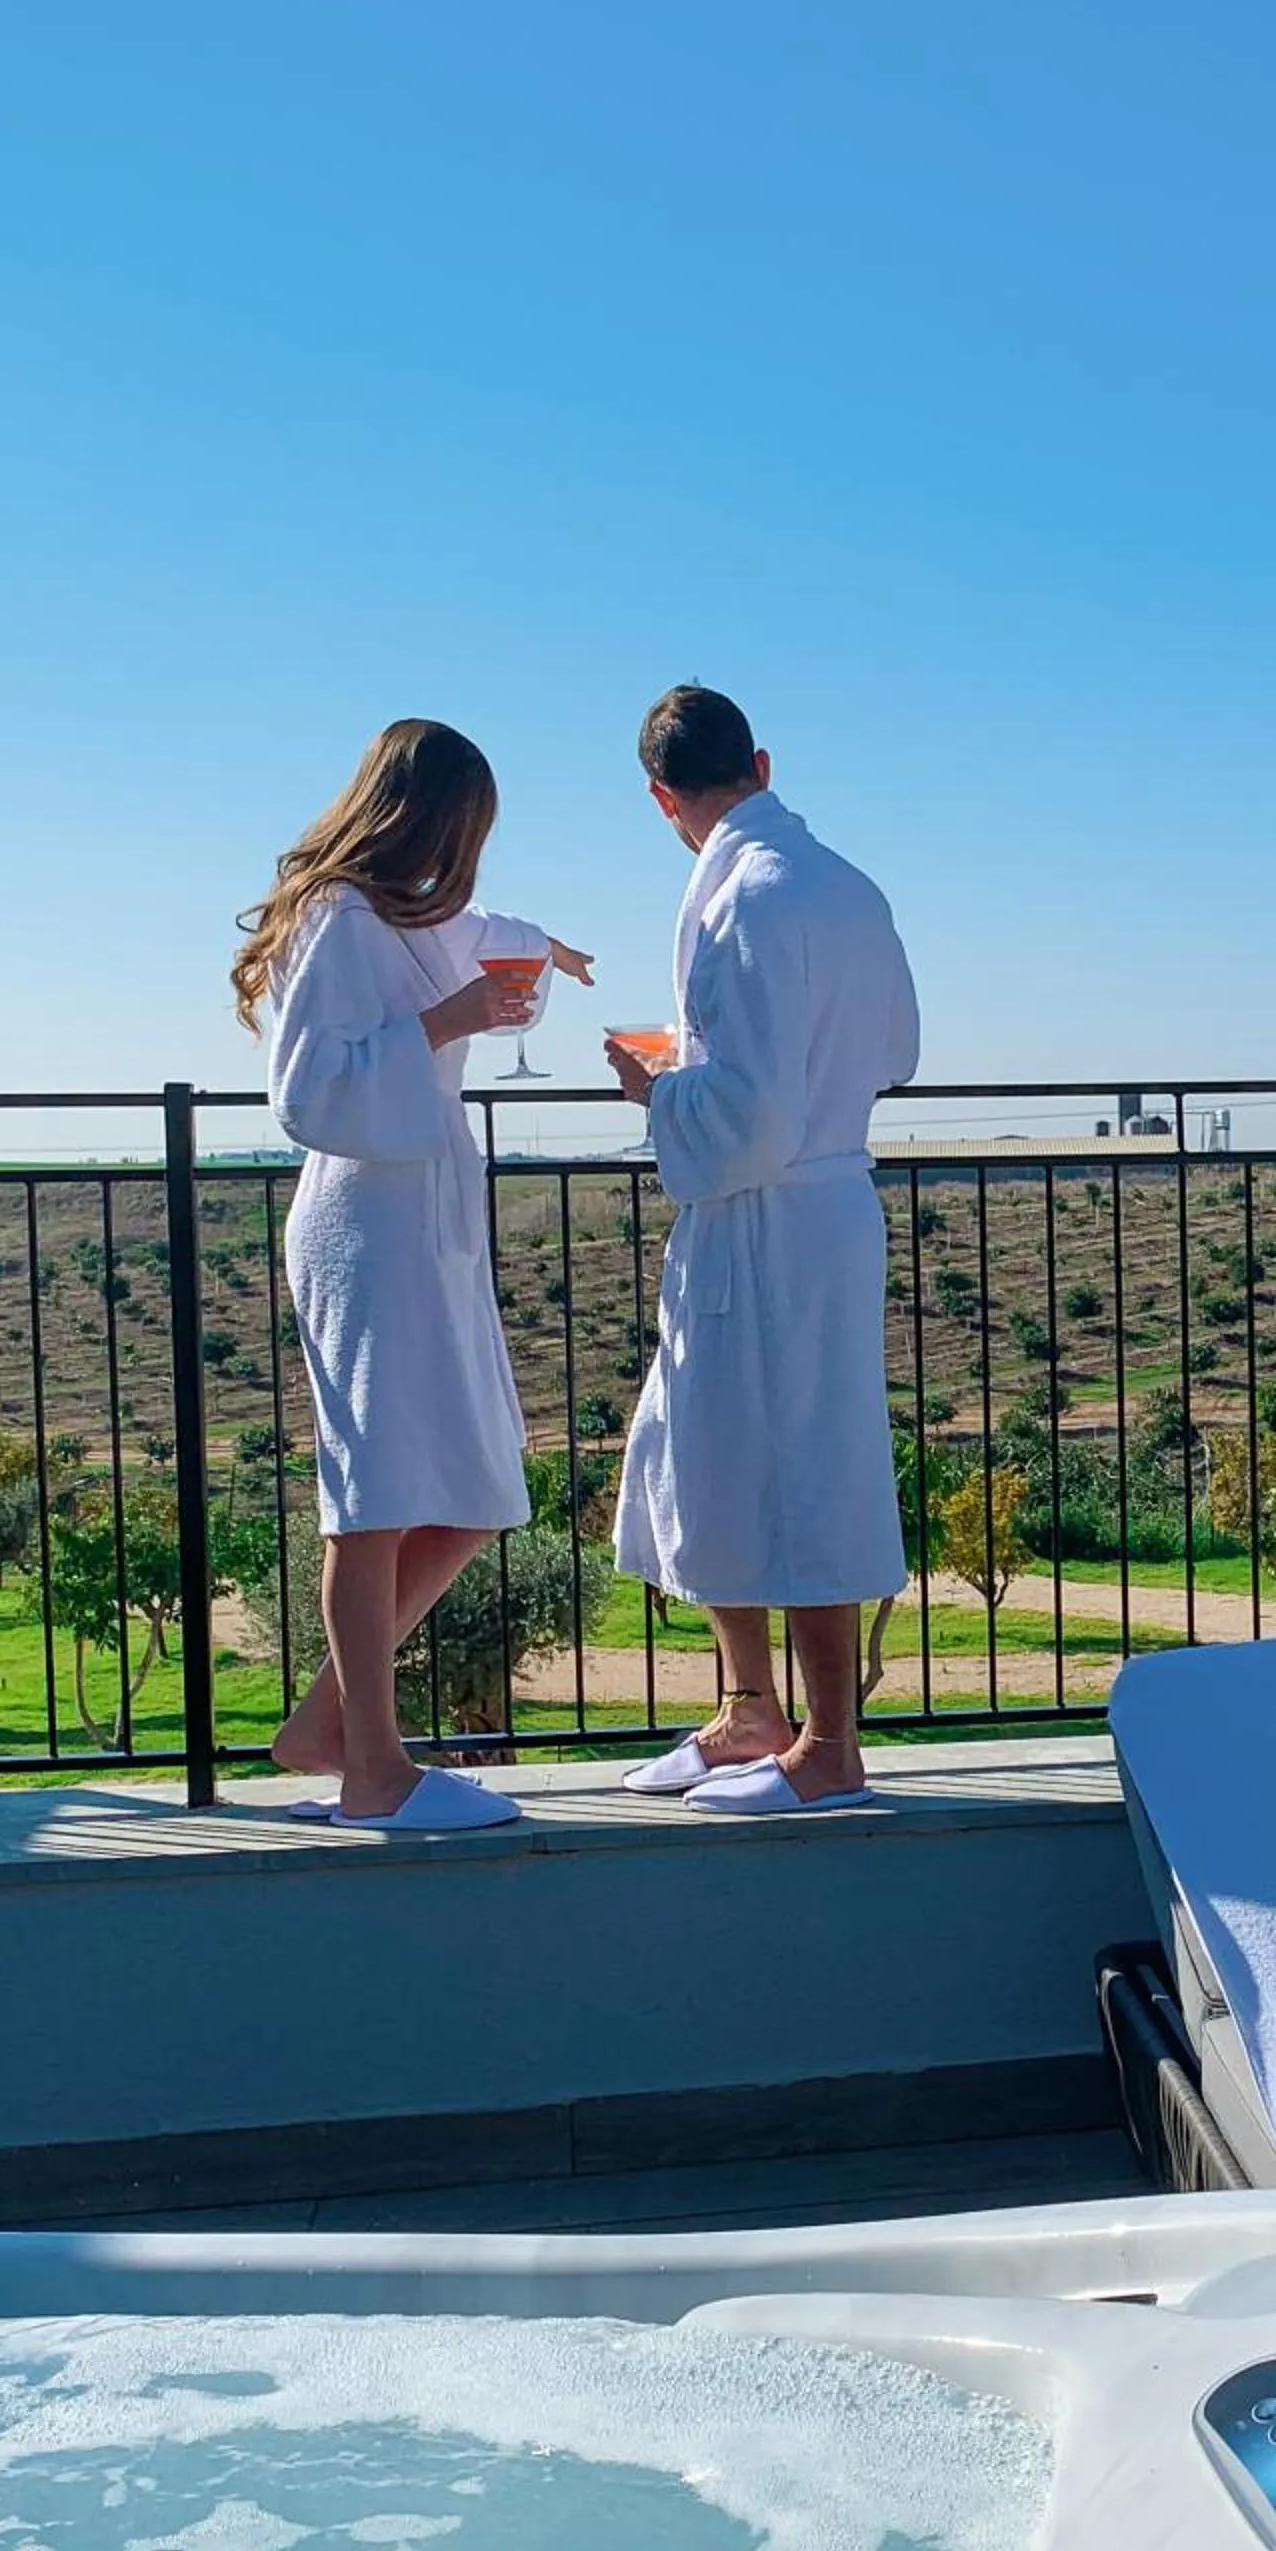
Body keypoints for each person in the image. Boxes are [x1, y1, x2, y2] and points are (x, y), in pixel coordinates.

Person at [230, 718, 592, 1830]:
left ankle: (326, 1722)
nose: (466, 855)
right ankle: (371, 1773)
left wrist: (550, 956)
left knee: (480, 1483)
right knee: (373, 1496)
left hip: (426, 1223)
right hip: (366, 1228)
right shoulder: (336, 919)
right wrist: (451, 1016)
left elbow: (482, 929)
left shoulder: (402, 910)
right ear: (423, 816)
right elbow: (309, 1093)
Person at [606, 685, 920, 1813]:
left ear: (662, 799)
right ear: (762, 761)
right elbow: (894, 1049)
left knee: (800, 1464)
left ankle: (828, 1747)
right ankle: (752, 1712)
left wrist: (658, 1090)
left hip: (771, 1218)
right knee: (710, 1448)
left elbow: (748, 1120)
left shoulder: (746, 898)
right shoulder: (847, 885)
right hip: (828, 1206)